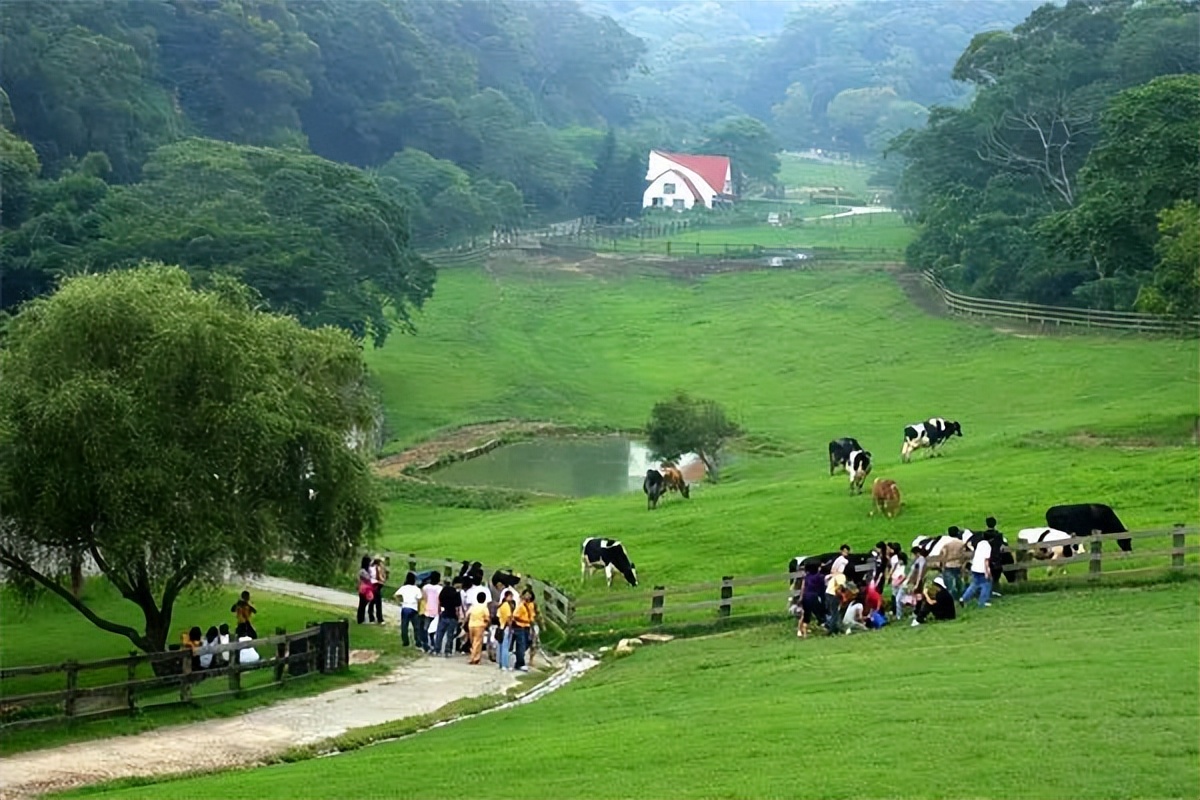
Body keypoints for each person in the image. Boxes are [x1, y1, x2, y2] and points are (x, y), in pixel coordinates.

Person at [961, 534, 994, 608]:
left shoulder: (980, 543)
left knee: (974, 584)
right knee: (986, 584)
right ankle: (982, 602)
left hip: (975, 567)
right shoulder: (988, 546)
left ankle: (964, 598)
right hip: (982, 569)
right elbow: (986, 560)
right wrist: (987, 572)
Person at [394, 572, 423, 649]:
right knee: (416, 627)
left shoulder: (404, 587)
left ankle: (405, 642)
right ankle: (418, 642)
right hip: (414, 608)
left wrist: (400, 602)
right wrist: (419, 609)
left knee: (404, 626)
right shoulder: (416, 589)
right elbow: (419, 600)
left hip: (405, 607)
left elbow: (396, 595)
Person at [435, 578, 463, 657]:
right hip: (452, 616)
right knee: (450, 634)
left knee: (440, 633)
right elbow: (458, 606)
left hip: (444, 614)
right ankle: (448, 650)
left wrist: (439, 611)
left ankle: (437, 649)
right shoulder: (456, 593)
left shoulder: (444, 591)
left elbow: (440, 601)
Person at [798, 562, 826, 639]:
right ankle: (824, 625)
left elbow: (803, 588)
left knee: (807, 614)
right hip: (813, 597)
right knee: (820, 612)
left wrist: (801, 598)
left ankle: (804, 633)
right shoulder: (819, 577)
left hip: (805, 597)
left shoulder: (806, 577)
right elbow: (822, 589)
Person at [512, 588, 537, 671]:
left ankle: (519, 658)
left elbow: (532, 615)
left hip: (527, 626)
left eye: (529, 594)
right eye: (526, 594)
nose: (527, 596)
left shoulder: (532, 605)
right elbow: (515, 615)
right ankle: (520, 663)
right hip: (520, 626)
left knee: (527, 643)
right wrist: (525, 620)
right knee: (521, 644)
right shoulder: (521, 605)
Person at [938, 527, 967, 599]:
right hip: (958, 565)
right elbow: (964, 555)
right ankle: (961, 595)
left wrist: (942, 565)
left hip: (948, 565)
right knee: (958, 581)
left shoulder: (946, 544)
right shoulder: (961, 543)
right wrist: (963, 564)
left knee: (949, 584)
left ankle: (950, 598)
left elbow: (943, 555)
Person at [466, 590, 490, 665]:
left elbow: (467, 615)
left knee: (473, 642)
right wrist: (487, 624)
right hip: (479, 626)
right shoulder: (484, 607)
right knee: (477, 642)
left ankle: (475, 657)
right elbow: (487, 618)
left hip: (471, 625)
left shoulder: (473, 607)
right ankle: (474, 658)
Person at [496, 588, 518, 671]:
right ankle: (505, 664)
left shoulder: (501, 605)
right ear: (507, 596)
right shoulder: (506, 606)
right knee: (505, 647)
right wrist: (511, 627)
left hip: (501, 627)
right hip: (506, 628)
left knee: (501, 646)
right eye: (511, 597)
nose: (511, 598)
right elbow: (509, 618)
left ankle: (501, 664)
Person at [421, 571, 442, 654]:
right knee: (435, 629)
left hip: (427, 610)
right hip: (436, 611)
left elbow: (423, 598)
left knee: (426, 628)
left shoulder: (425, 587)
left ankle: (427, 645)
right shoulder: (440, 588)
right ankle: (434, 644)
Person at [824, 569, 847, 635]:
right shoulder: (842, 577)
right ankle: (831, 631)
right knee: (835, 614)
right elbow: (838, 589)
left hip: (827, 593)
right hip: (833, 594)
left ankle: (836, 629)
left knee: (833, 612)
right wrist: (843, 597)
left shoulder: (836, 575)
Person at [889, 547, 908, 620]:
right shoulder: (899, 566)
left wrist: (897, 582)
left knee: (898, 599)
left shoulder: (905, 567)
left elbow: (904, 576)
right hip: (897, 583)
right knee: (898, 599)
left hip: (902, 585)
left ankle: (899, 615)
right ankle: (899, 613)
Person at [356, 556, 374, 625]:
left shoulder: (368, 570)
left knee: (364, 603)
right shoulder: (362, 571)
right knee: (362, 604)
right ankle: (360, 619)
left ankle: (362, 618)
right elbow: (368, 578)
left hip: (367, 589)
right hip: (363, 589)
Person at [371, 557, 388, 626]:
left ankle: (371, 617)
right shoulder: (377, 568)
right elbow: (380, 577)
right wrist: (382, 580)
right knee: (378, 602)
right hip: (376, 585)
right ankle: (380, 619)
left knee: (373, 601)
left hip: (373, 585)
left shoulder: (372, 568)